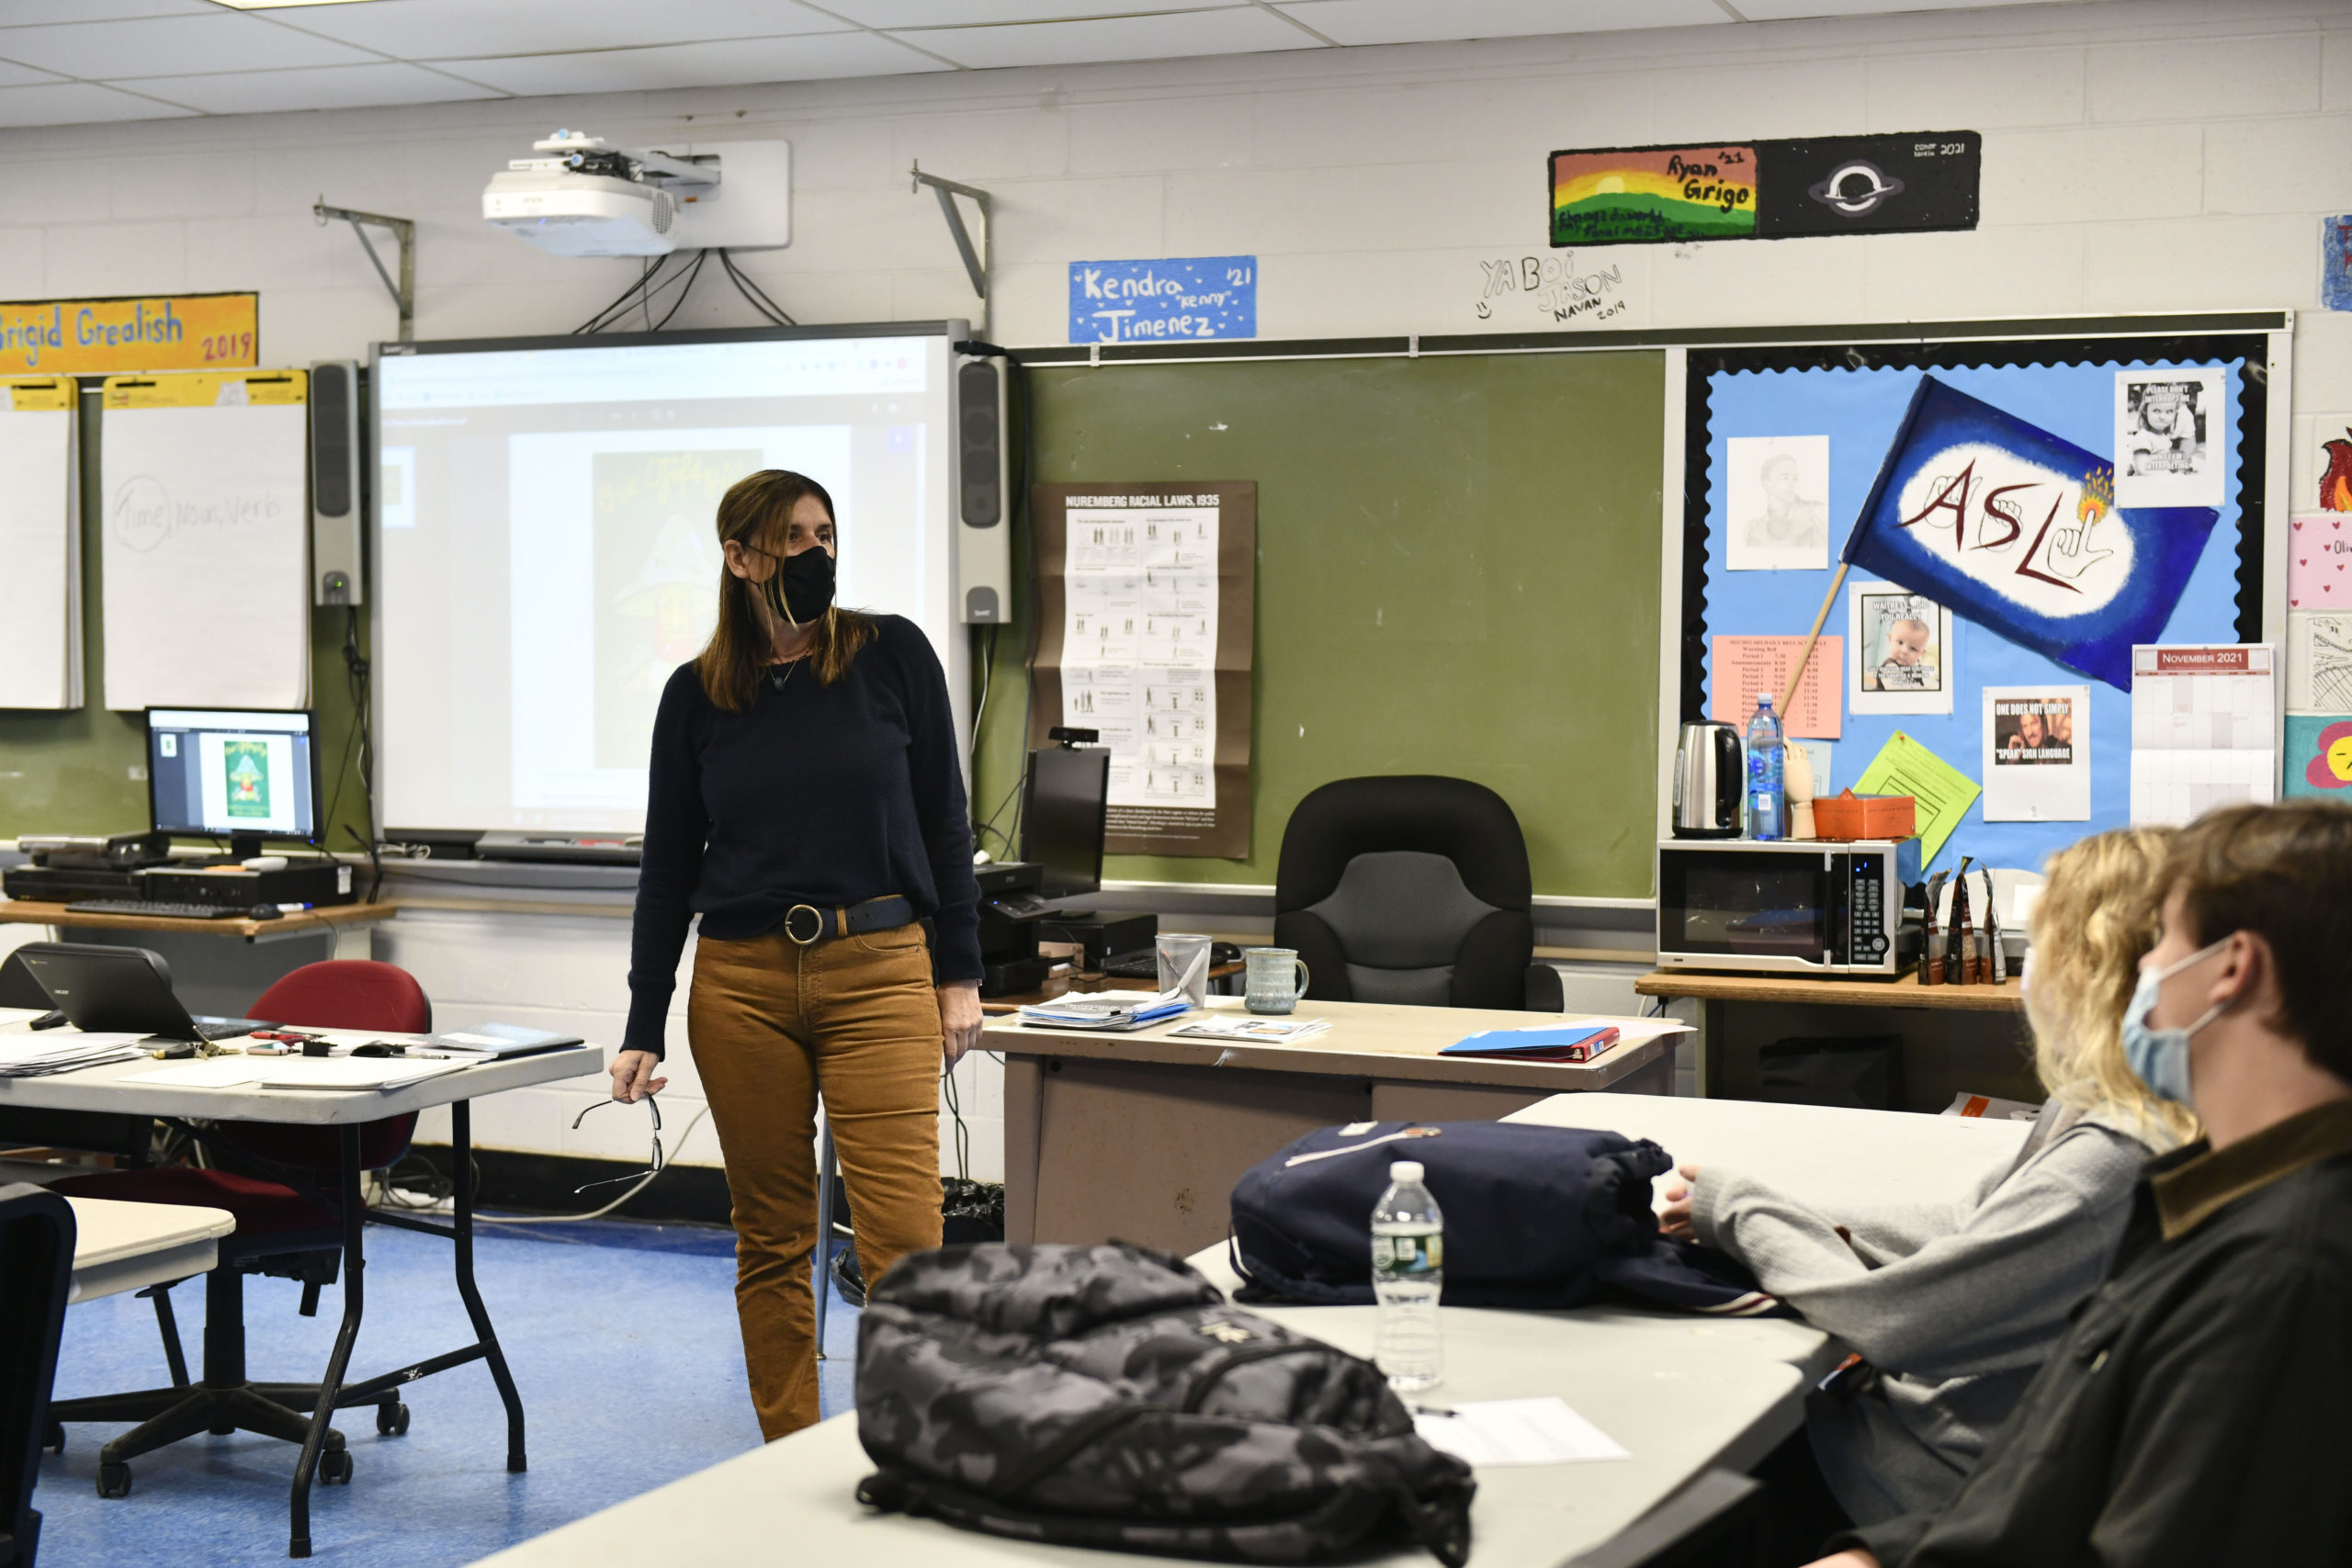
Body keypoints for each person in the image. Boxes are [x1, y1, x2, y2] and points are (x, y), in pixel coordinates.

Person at [1807, 799, 2352, 1568]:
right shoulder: (2208, 1192)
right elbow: (2053, 1479)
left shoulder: (2280, 1276)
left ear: (2233, 969)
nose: (2145, 968)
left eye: (2164, 938)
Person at [1660, 827, 2194, 1534]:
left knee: (1674, 1486)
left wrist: (1740, 1212)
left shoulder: (2114, 1159)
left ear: (2090, 965)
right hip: (1901, 1434)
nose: (2029, 968)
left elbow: (1894, 1320)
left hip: (1910, 1487)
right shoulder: (2098, 1099)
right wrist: (1786, 1208)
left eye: (2043, 946)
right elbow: (1967, 1227)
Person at [609, 468, 984, 1442]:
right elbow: (666, 868)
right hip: (741, 984)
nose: (816, 554)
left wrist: (960, 975)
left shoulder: (891, 655)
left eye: (827, 535)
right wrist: (642, 1022)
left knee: (904, 1235)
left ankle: (920, 1449)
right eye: (793, 540)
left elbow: (947, 820)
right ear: (739, 558)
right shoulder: (695, 697)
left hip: (879, 967)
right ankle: (786, 1447)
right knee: (772, 1239)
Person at [1745, 452, 1828, 550]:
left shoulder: (1813, 526)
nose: (1791, 484)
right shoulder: (1752, 530)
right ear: (1767, 484)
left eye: (1794, 478)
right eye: (1785, 478)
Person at [1870, 615, 1934, 692]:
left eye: (1913, 648)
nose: (1904, 651)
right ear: (1890, 639)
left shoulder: (1916, 668)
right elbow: (1900, 690)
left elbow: (1926, 682)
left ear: (1921, 653)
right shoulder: (1890, 667)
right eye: (1900, 642)